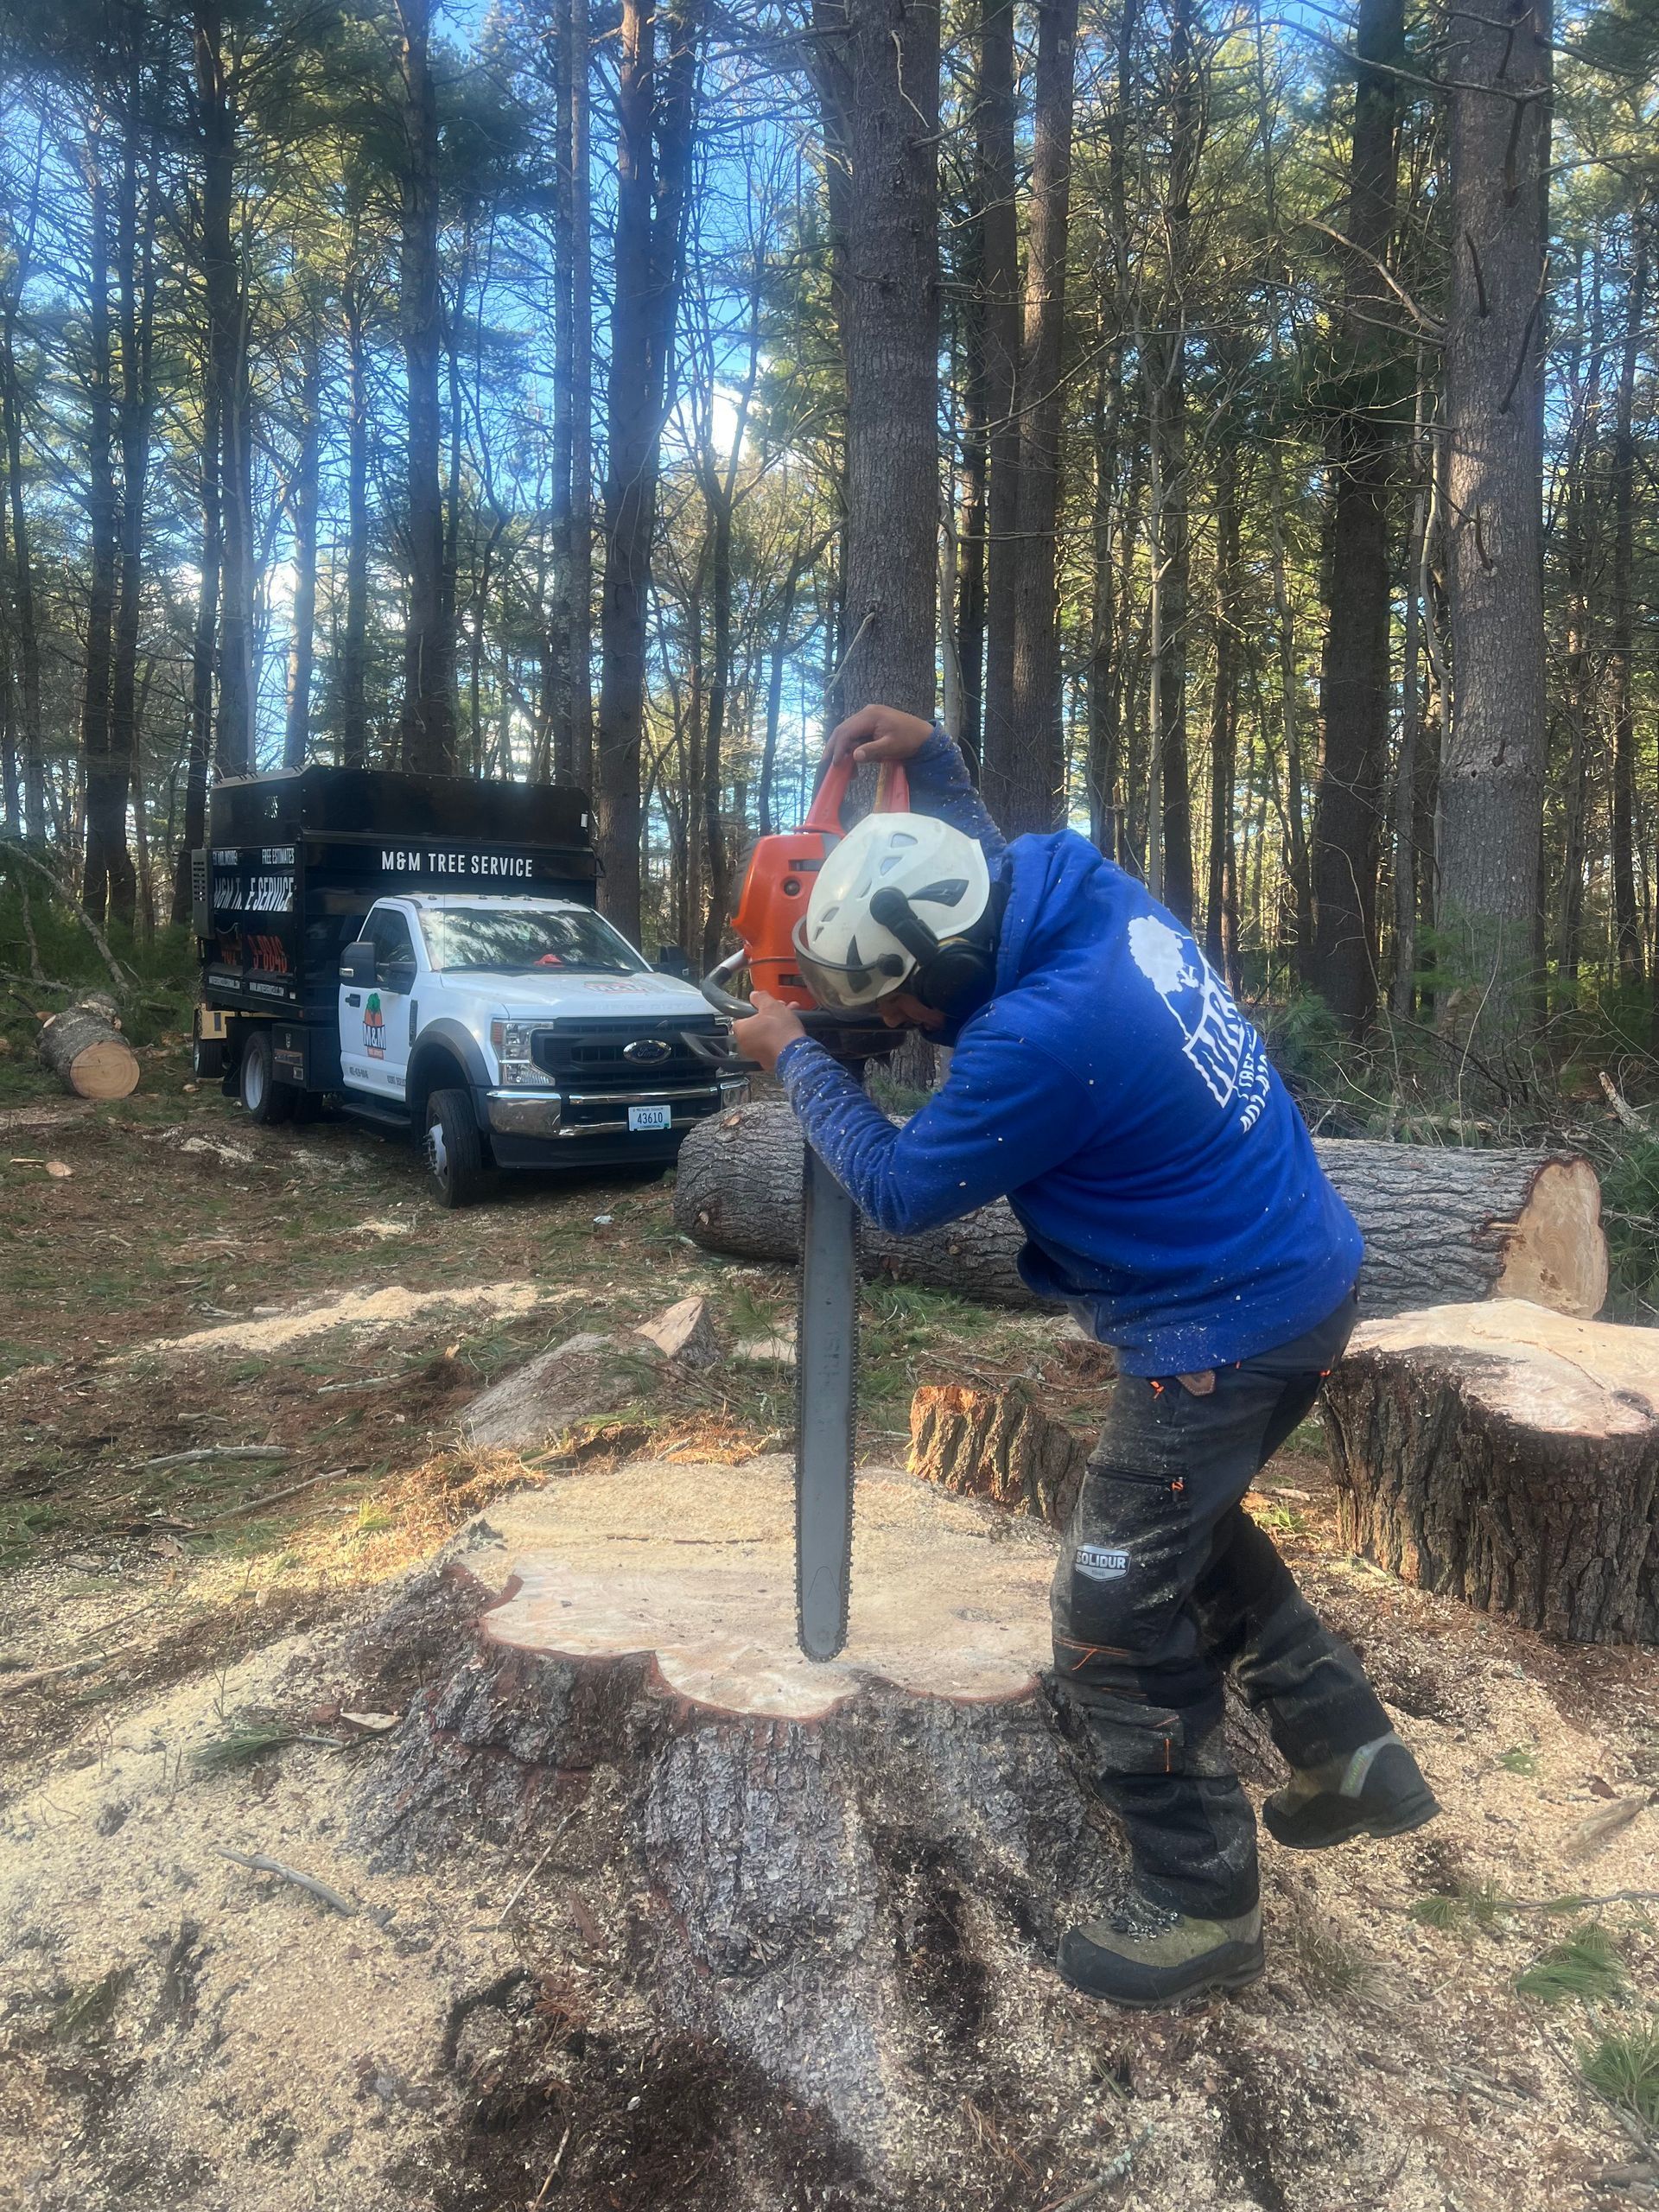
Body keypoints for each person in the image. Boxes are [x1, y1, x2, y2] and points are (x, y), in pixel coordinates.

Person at [734, 702, 1439, 2012]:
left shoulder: (1034, 1042)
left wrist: (796, 1062)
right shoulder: (1063, 880)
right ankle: (1346, 1752)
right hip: (1294, 1268)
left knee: (1110, 1612)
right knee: (1182, 1522)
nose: (885, 1028)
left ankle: (1198, 1902)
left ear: (940, 975)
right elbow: (969, 852)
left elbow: (896, 1186)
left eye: (889, 1008)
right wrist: (930, 752)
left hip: (1226, 1330)